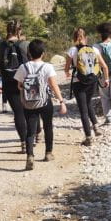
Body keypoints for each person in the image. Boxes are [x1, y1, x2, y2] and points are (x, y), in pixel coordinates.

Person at [14, 39, 67, 170]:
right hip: (44, 102)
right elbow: (53, 85)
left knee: (30, 131)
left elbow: (19, 85)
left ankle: (30, 155)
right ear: (43, 53)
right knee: (48, 127)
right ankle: (48, 153)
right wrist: (61, 101)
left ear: (29, 53)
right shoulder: (48, 67)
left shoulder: (23, 67)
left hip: (29, 104)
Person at [65, 28, 109, 146]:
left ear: (74, 38)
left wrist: (68, 73)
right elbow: (104, 66)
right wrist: (106, 79)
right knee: (88, 102)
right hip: (92, 81)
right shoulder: (94, 49)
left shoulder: (72, 50)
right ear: (86, 37)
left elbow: (66, 68)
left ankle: (88, 137)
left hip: (78, 82)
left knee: (83, 109)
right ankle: (96, 126)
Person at [0, 20, 30, 152]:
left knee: (18, 112)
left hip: (9, 83)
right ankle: (36, 133)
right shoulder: (26, 44)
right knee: (30, 111)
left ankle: (24, 142)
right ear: (19, 31)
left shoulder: (1, 46)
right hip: (26, 82)